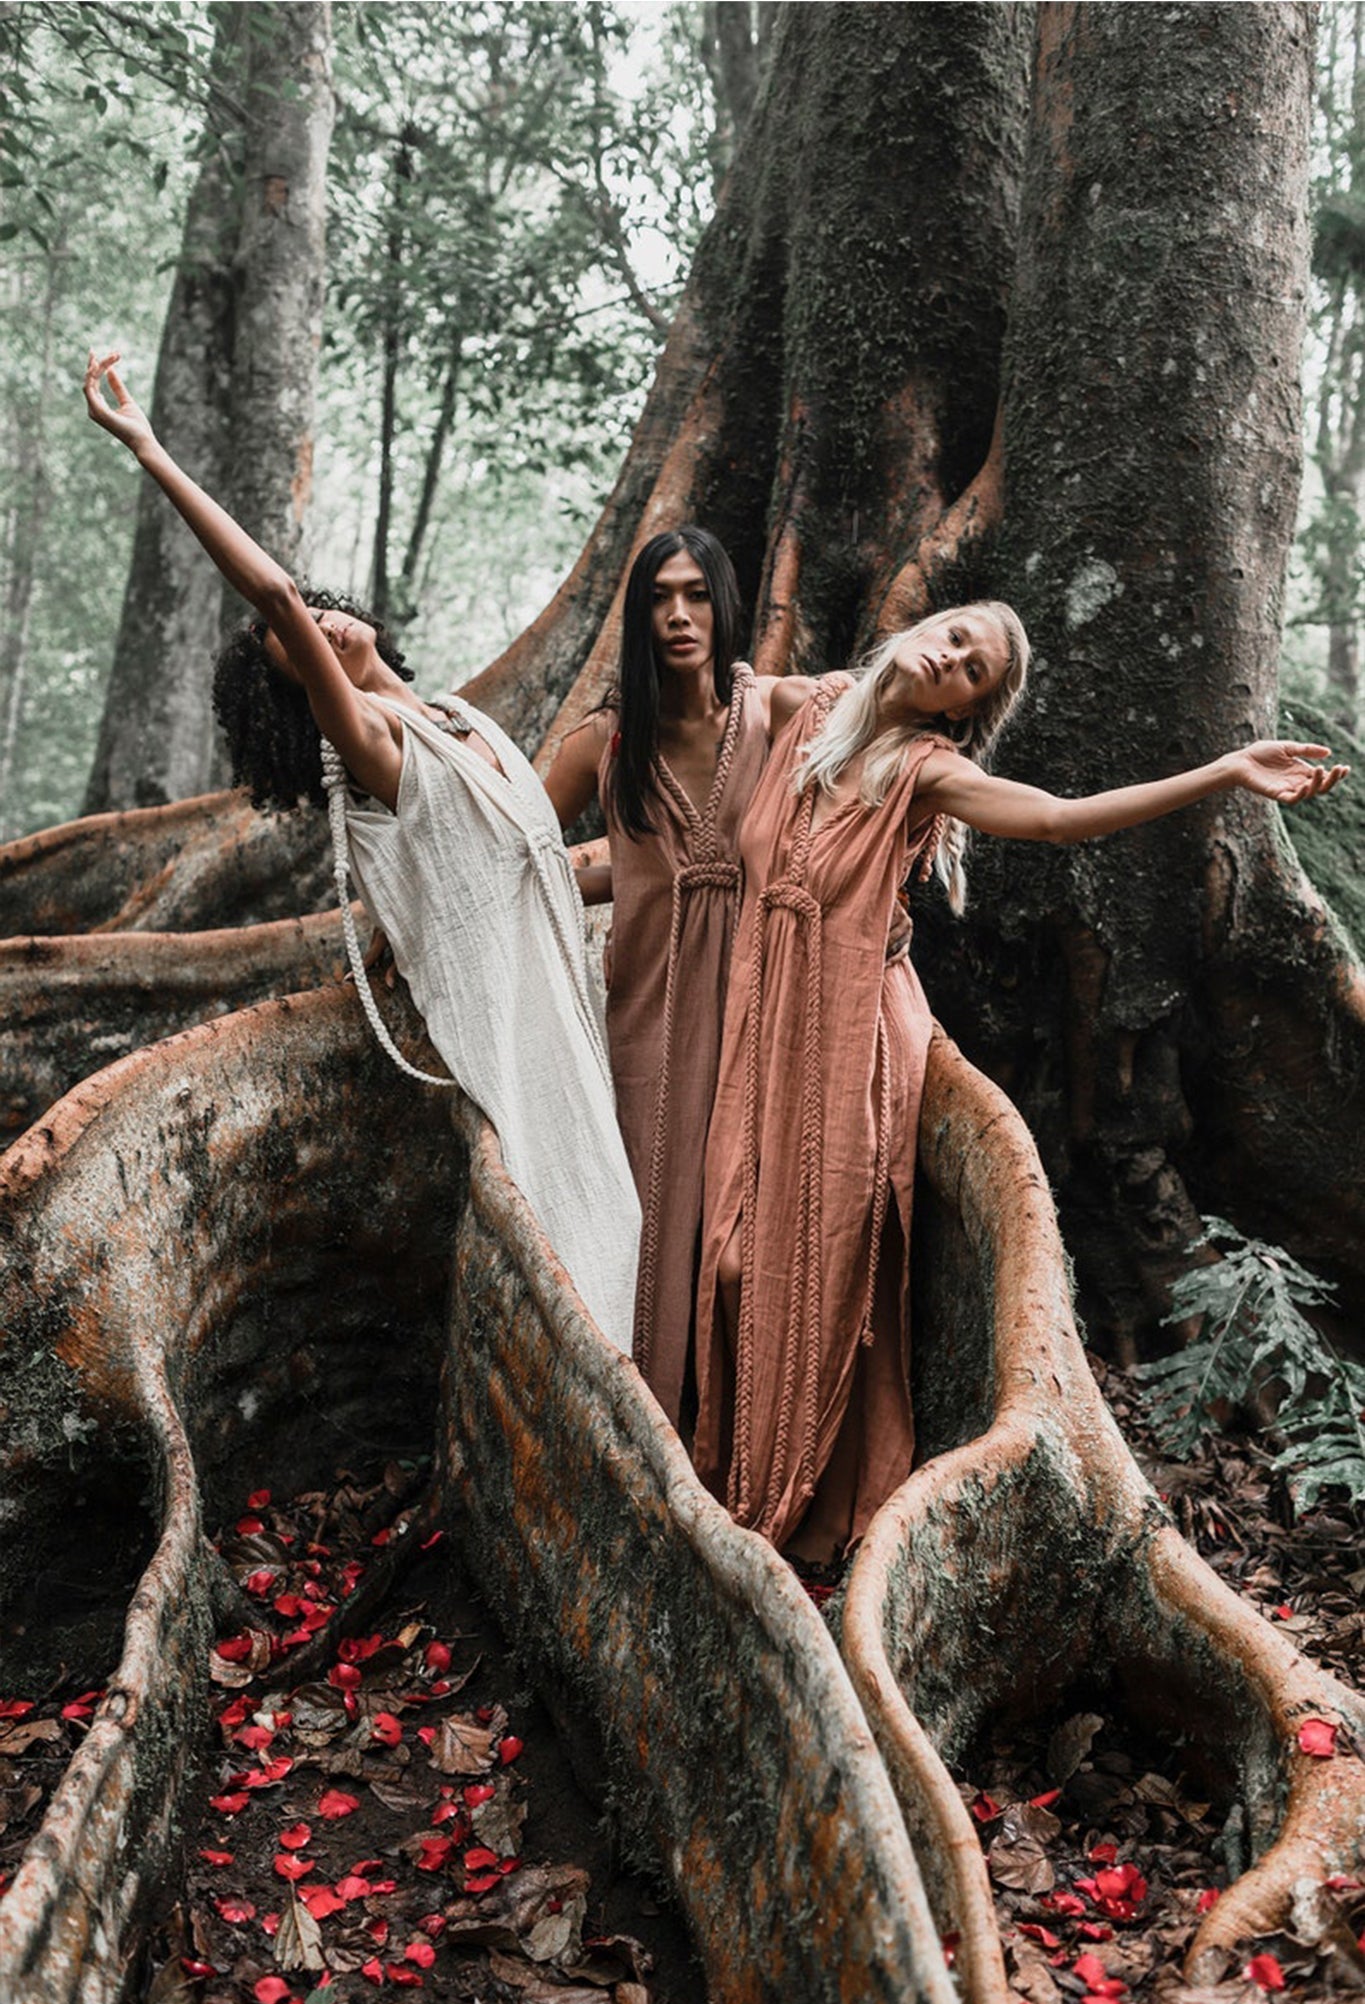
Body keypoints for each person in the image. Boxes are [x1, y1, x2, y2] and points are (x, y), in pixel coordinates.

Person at [692, 602, 1349, 1564]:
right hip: (759, 1028)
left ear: (961, 712)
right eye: (955, 635)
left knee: (805, 1268)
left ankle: (789, 1516)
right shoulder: (809, 708)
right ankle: (723, 1477)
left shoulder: (926, 770)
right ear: (920, 627)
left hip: (850, 1040)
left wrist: (1223, 772)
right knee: (723, 1256)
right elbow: (696, 712)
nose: (951, 655)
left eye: (972, 670)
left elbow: (1054, 819)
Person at [83, 349, 640, 1353]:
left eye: (311, 609)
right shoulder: (378, 746)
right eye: (290, 641)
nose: (310, 621)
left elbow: (534, 864)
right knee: (585, 1229)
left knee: (630, 1211)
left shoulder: (457, 718)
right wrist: (149, 449)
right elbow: (273, 592)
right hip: (512, 1033)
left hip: (574, 1002)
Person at [544, 529, 797, 1427]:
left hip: (761, 1004)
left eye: (694, 594)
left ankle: (744, 1428)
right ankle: (640, 1421)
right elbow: (517, 848)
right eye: (658, 598)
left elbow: (878, 735)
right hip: (647, 1014)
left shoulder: (773, 713)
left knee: (749, 1218)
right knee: (646, 1210)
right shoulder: (605, 742)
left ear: (723, 604)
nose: (678, 615)